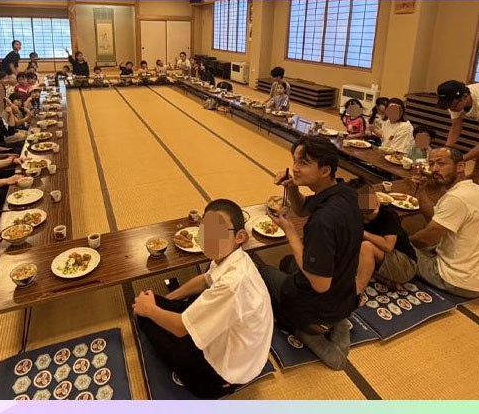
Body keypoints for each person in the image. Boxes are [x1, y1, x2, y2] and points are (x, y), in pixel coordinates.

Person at [134, 199, 273, 399]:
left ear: (240, 236)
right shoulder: (235, 257)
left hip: (226, 372)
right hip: (237, 345)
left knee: (146, 318)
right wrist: (167, 301)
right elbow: (205, 280)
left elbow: (180, 328)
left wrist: (149, 310)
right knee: (154, 301)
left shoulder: (233, 283)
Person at [253, 135, 362, 370]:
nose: (294, 168)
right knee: (287, 262)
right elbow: (302, 209)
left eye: (303, 163)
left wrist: (290, 231)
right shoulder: (345, 192)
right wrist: (292, 187)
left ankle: (309, 331)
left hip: (319, 302)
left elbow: (320, 285)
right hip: (345, 295)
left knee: (264, 273)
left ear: (325, 170)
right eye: (294, 161)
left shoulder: (323, 221)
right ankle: (337, 320)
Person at [406, 147, 479, 298]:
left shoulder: (456, 198)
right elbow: (433, 219)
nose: (434, 169)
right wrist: (423, 188)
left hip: (459, 281)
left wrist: (405, 241)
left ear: (460, 166)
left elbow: (427, 238)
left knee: (394, 248)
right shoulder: (478, 190)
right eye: (431, 164)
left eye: (441, 164)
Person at [350, 178, 418, 295]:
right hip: (382, 260)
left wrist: (362, 232)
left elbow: (388, 246)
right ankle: (383, 279)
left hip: (405, 264)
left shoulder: (388, 215)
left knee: (366, 246)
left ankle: (356, 293)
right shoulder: (354, 214)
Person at [436, 80, 479, 195]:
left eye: (453, 106)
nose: (451, 109)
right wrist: (446, 151)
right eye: (448, 106)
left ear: (465, 97)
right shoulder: (454, 100)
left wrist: (459, 160)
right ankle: (476, 176)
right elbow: (455, 127)